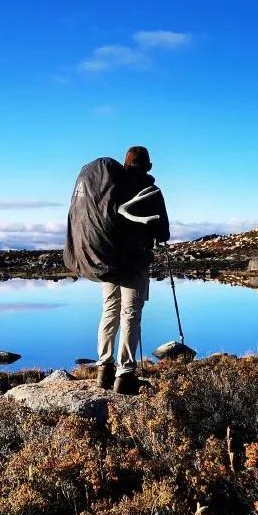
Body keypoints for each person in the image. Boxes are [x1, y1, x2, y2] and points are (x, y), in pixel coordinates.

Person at [96, 146, 170, 394]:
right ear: (149, 166)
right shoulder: (152, 191)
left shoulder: (110, 187)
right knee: (130, 315)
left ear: (125, 163)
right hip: (135, 263)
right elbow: (163, 232)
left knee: (109, 310)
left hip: (108, 261)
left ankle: (104, 368)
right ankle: (125, 375)